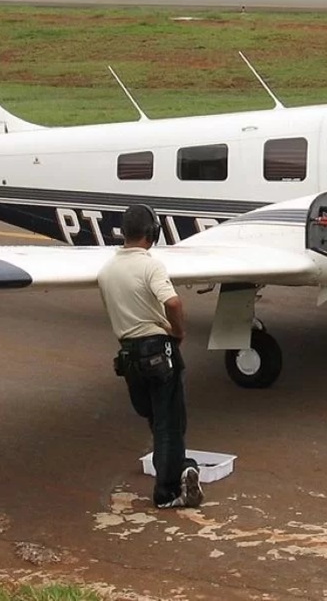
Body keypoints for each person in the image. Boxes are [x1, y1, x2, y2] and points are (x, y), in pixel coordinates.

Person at [97, 204, 203, 509]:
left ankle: (180, 466)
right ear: (152, 233)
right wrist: (178, 332)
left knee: (155, 420)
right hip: (158, 348)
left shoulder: (107, 271)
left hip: (128, 354)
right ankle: (167, 492)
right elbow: (173, 302)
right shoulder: (150, 266)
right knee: (170, 423)